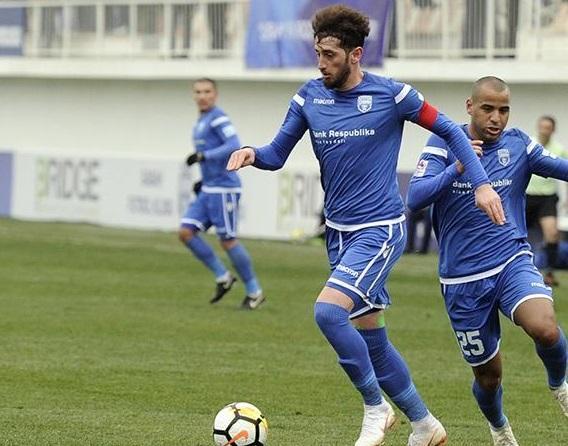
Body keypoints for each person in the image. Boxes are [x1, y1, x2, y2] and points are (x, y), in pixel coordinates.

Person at [227, 5, 505, 445]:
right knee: (372, 339)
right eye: (318, 53)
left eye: (330, 55)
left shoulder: (393, 95)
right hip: (338, 233)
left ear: (355, 55)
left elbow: (452, 131)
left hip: (380, 230)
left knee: (327, 312)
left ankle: (376, 408)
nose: (321, 63)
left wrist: (482, 184)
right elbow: (276, 153)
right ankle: (424, 424)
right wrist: (252, 153)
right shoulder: (308, 97)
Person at [407, 76, 568, 446]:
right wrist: (457, 168)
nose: (497, 118)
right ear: (470, 107)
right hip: (462, 280)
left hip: (511, 260)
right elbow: (414, 198)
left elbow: (561, 167)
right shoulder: (444, 142)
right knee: (489, 377)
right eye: (488, 109)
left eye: (504, 110)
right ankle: (499, 429)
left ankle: (560, 385)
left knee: (545, 328)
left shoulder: (518, 144)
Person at [180, 78, 265, 310]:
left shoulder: (219, 118)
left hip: (224, 188)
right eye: (198, 92)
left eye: (207, 91)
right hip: (210, 187)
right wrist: (203, 180)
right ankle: (223, 277)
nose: (202, 96)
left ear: (215, 95)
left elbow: (233, 144)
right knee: (186, 232)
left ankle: (255, 291)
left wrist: (204, 156)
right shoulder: (201, 121)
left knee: (227, 240)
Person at [526, 115, 566, 286]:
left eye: (548, 128)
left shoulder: (559, 149)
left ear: (553, 130)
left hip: (547, 198)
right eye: (542, 127)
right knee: (515, 234)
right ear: (538, 127)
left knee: (552, 233)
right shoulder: (529, 144)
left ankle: (549, 272)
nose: (544, 130)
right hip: (527, 196)